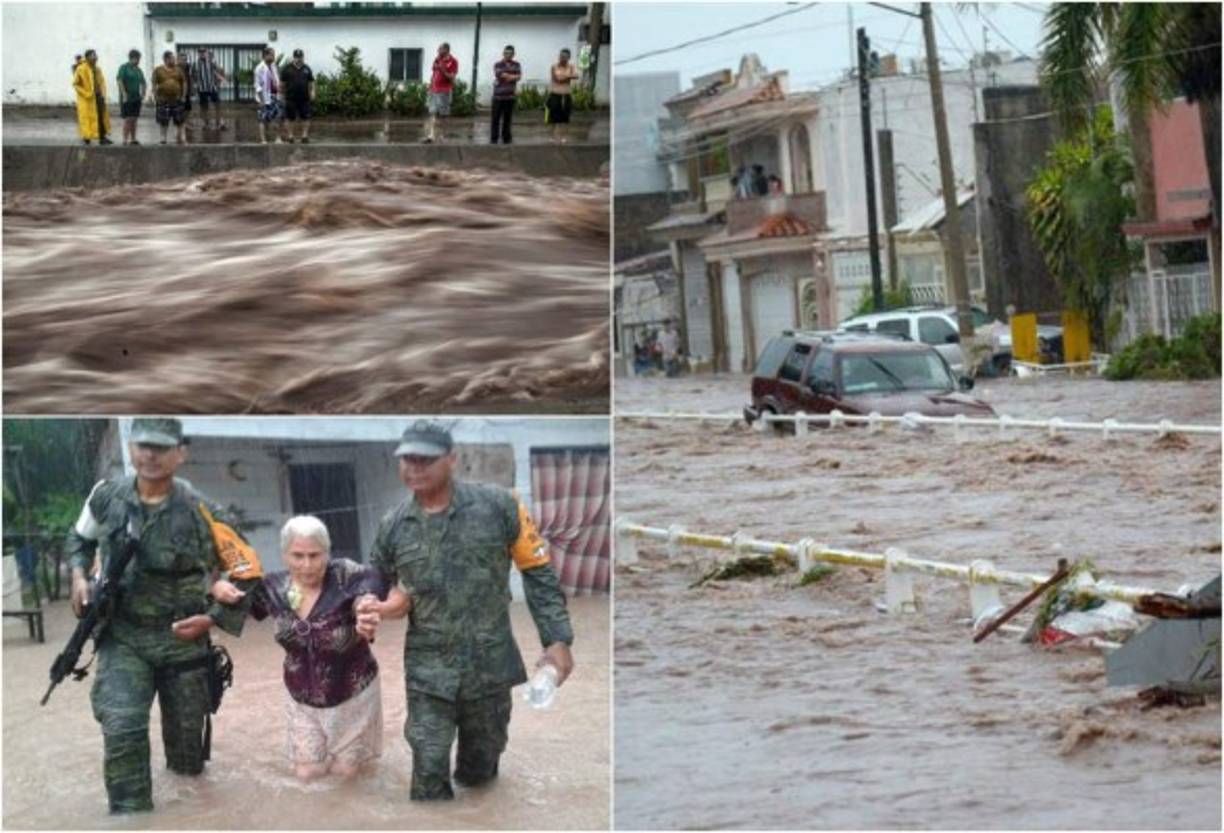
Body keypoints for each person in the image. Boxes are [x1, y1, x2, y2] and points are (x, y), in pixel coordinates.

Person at [357, 421, 575, 801]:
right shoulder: (393, 526)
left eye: (426, 458)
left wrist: (557, 640)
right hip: (428, 671)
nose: (415, 467)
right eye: (407, 459)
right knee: (428, 771)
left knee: (480, 774)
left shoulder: (500, 506)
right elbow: (377, 583)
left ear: (452, 459)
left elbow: (537, 574)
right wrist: (370, 608)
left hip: (490, 667)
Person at [65, 418, 261, 814]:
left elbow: (248, 572)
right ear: (132, 448)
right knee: (121, 728)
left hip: (184, 642)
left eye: (160, 446)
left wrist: (212, 618)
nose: (150, 454)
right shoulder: (106, 496)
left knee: (188, 758)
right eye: (142, 445)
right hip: (124, 637)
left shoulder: (203, 510)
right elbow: (80, 539)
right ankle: (130, 815)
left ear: (180, 454)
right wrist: (78, 577)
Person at [211, 516, 389, 781]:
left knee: (347, 776)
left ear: (327, 554)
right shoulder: (273, 587)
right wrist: (218, 586)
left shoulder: (346, 575)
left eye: (315, 555)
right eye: (298, 555)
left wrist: (366, 607)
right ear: (284, 555)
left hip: (353, 693)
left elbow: (372, 586)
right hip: (301, 697)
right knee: (307, 775)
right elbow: (235, 606)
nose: (307, 565)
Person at [73, 49, 112, 145]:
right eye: (93, 56)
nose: (95, 57)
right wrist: (87, 94)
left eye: (95, 55)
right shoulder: (81, 69)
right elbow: (76, 84)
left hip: (98, 96)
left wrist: (103, 93)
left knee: (100, 116)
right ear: (87, 58)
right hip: (87, 99)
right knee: (87, 118)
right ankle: (86, 137)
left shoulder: (97, 69)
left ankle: (102, 137)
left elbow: (101, 82)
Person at [151, 50, 188, 145]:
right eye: (172, 58)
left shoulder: (178, 69)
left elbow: (184, 82)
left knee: (180, 120)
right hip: (163, 100)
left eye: (174, 58)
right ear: (166, 59)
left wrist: (183, 96)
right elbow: (154, 84)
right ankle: (163, 138)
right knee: (163, 121)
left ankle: (181, 137)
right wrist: (155, 96)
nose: (174, 60)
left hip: (177, 99)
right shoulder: (158, 70)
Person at [424, 42, 458, 144]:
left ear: (446, 50)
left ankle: (442, 136)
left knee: (443, 114)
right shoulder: (437, 59)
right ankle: (431, 135)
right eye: (438, 49)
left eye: (440, 49)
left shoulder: (453, 61)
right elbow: (434, 73)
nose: (438, 51)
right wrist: (430, 85)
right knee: (432, 112)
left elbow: (452, 77)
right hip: (434, 90)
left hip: (444, 91)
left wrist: (443, 69)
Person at [279, 49, 315, 144]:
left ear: (303, 57)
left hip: (304, 98)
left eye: (300, 57)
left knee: (306, 117)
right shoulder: (287, 69)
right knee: (290, 117)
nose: (299, 59)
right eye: (297, 57)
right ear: (293, 57)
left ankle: (304, 136)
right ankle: (290, 136)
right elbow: (282, 84)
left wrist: (312, 92)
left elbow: (311, 82)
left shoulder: (307, 68)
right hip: (290, 98)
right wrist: (281, 96)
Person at [545, 48, 579, 144]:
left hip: (566, 95)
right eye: (560, 56)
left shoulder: (571, 67)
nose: (562, 58)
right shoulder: (554, 66)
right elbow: (557, 79)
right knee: (553, 118)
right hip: (555, 95)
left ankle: (562, 137)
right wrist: (568, 76)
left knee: (565, 117)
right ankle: (553, 137)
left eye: (564, 56)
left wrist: (566, 77)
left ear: (569, 57)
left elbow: (576, 75)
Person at [489, 44, 521, 145]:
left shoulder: (517, 64)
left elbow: (519, 76)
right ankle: (494, 138)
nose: (508, 55)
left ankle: (506, 138)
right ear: (503, 53)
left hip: (510, 96)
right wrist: (512, 76)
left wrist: (509, 76)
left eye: (510, 53)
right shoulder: (498, 64)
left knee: (507, 119)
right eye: (506, 53)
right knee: (495, 119)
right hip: (498, 97)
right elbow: (500, 74)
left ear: (514, 54)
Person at [190, 47, 227, 132]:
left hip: (212, 88)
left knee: (218, 105)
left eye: (204, 52)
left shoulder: (211, 62)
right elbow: (192, 76)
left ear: (206, 53)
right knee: (204, 107)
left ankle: (220, 122)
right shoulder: (195, 64)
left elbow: (220, 71)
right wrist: (194, 86)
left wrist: (220, 81)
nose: (202, 53)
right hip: (202, 89)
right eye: (200, 52)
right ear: (198, 53)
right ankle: (205, 124)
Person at [254, 47, 284, 144]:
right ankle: (263, 140)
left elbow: (276, 79)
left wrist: (280, 89)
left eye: (274, 54)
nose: (274, 57)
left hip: (275, 95)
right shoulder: (259, 68)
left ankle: (278, 138)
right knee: (262, 119)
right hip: (264, 97)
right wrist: (261, 100)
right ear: (266, 55)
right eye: (272, 55)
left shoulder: (274, 66)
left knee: (278, 117)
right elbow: (257, 85)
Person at [115, 50, 146, 146]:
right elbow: (120, 80)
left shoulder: (138, 70)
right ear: (133, 58)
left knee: (135, 118)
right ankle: (125, 139)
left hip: (136, 97)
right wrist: (124, 94)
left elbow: (143, 82)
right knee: (128, 119)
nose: (139, 61)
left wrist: (143, 93)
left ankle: (133, 139)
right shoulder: (124, 68)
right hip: (127, 98)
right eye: (138, 59)